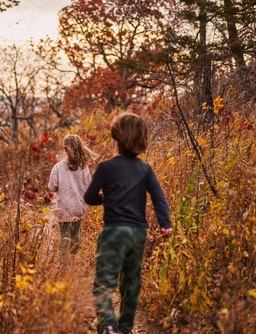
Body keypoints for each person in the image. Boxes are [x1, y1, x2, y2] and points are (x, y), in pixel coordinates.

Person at [84, 112, 173, 334]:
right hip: (138, 233)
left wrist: (105, 199)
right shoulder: (145, 169)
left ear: (116, 138)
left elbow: (89, 197)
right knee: (131, 284)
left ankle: (108, 326)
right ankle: (125, 328)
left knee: (104, 281)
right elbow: (158, 197)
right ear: (141, 139)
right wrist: (165, 224)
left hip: (114, 231)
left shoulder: (106, 167)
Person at [48, 134, 98, 256]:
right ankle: (73, 263)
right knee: (76, 236)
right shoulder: (84, 167)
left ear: (65, 149)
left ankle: (64, 268)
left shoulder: (58, 167)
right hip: (79, 208)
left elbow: (52, 187)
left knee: (64, 239)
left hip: (64, 210)